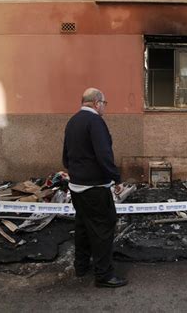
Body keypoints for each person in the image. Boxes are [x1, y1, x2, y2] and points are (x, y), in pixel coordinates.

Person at [63, 87, 127, 288]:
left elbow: (65, 157)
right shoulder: (95, 122)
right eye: (104, 104)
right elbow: (104, 155)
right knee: (103, 228)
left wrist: (76, 172)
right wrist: (116, 178)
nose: (104, 108)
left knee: (82, 225)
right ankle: (104, 275)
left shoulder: (72, 121)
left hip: (76, 186)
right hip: (95, 187)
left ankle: (81, 266)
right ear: (97, 102)